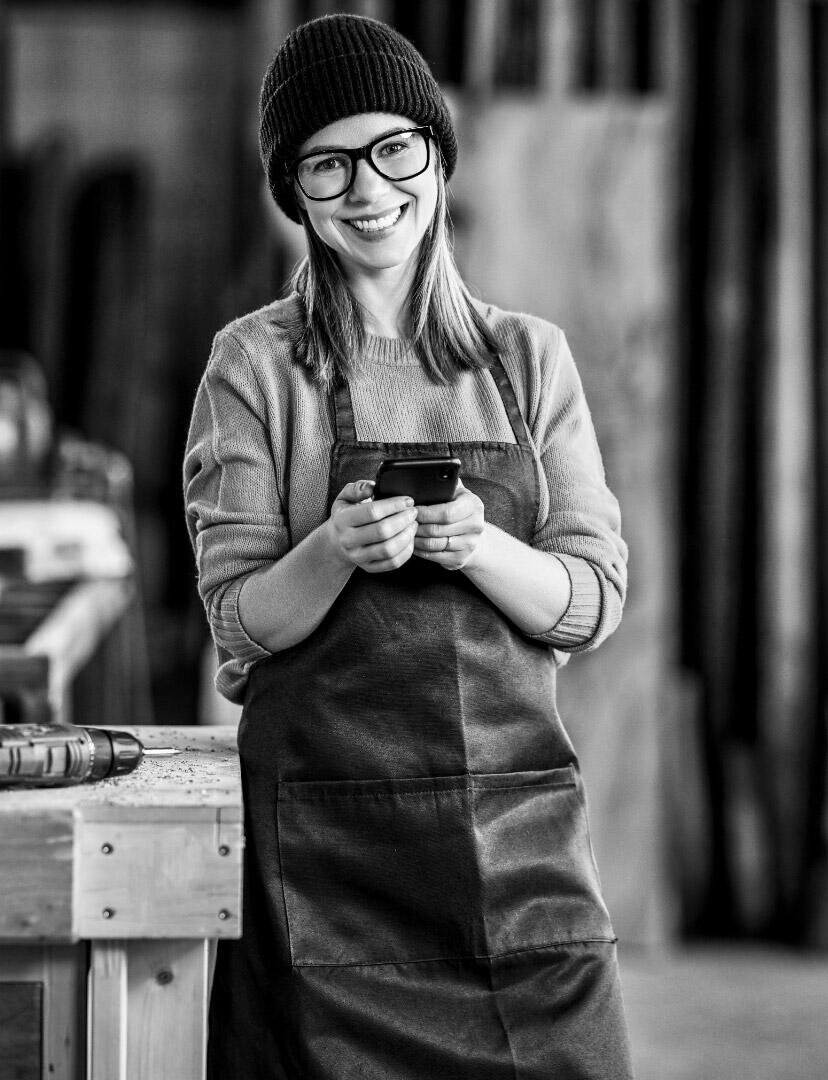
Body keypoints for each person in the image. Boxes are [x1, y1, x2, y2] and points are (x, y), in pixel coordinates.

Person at [182, 13, 633, 1078]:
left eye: (395, 148)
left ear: (435, 157)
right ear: (294, 191)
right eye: (327, 164)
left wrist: (479, 549)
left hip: (518, 848)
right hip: (329, 864)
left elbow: (593, 597)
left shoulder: (529, 362)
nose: (368, 188)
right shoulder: (256, 366)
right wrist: (333, 550)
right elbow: (238, 618)